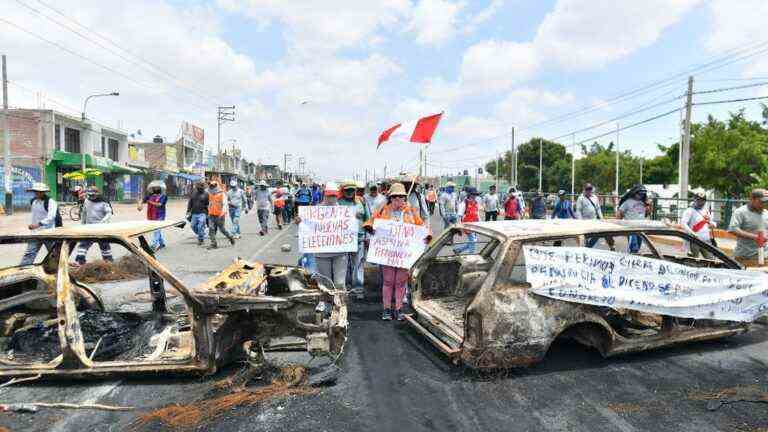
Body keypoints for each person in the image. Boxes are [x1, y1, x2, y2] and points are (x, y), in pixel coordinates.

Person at [363, 182, 430, 321]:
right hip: (388, 254)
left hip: (404, 255)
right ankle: (387, 309)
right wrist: (371, 230)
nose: (399, 200)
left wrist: (427, 236)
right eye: (395, 197)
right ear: (391, 198)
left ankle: (398, 309)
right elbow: (370, 223)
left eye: (401, 197)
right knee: (388, 281)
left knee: (400, 282)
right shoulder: (383, 210)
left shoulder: (411, 212)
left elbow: (422, 227)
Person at [304, 183, 348, 290]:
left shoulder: (345, 212)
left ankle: (340, 303)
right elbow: (307, 226)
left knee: (340, 283)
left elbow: (349, 229)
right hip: (322, 254)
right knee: (326, 284)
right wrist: (301, 220)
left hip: (340, 253)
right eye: (329, 195)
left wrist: (354, 219)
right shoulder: (316, 210)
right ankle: (328, 304)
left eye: (333, 195)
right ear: (325, 195)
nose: (331, 198)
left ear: (337, 196)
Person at [339, 180, 371, 297]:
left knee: (358, 264)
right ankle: (346, 287)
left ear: (355, 190)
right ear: (343, 190)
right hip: (342, 239)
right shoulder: (338, 202)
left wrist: (368, 236)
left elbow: (369, 220)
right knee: (344, 265)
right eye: (347, 190)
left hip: (359, 238)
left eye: (352, 190)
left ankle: (358, 288)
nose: (350, 192)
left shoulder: (362, 201)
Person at [20, 183, 59, 266]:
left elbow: (51, 216)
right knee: (29, 253)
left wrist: (39, 224)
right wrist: (34, 226)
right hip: (35, 233)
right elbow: (35, 216)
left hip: (49, 233)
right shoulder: (33, 201)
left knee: (54, 254)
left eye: (39, 192)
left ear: (44, 192)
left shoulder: (51, 202)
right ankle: (23, 269)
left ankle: (58, 269)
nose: (37, 193)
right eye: (35, 191)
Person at [728, 189, 768, 267]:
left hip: (764, 255)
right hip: (745, 257)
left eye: (765, 202)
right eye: (761, 202)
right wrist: (755, 237)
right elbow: (733, 229)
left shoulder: (766, 213)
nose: (763, 204)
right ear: (752, 199)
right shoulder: (740, 212)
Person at [74, 186, 113, 265]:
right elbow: (84, 213)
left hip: (101, 228)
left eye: (93, 195)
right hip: (89, 227)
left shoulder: (104, 202)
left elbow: (109, 213)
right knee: (83, 244)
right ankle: (80, 260)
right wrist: (82, 225)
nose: (91, 197)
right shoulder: (86, 201)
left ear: (97, 194)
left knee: (104, 245)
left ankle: (108, 262)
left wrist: (103, 222)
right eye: (90, 195)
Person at [680, 193, 716, 259]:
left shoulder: (706, 211)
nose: (701, 202)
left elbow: (711, 222)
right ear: (695, 200)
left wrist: (713, 224)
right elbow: (683, 223)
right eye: (699, 200)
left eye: (703, 200)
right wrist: (692, 233)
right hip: (694, 240)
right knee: (694, 260)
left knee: (711, 259)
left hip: (706, 240)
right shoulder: (689, 211)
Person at [617, 185, 650, 253]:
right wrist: (619, 223)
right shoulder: (628, 202)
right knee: (634, 247)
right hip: (631, 228)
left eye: (642, 194)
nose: (640, 196)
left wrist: (649, 206)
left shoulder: (643, 202)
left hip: (641, 227)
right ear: (634, 193)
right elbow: (620, 212)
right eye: (639, 194)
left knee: (638, 246)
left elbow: (646, 214)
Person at [574, 183, 606, 248]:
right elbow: (578, 210)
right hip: (585, 221)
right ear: (584, 189)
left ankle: (589, 247)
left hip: (594, 220)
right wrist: (580, 221)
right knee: (585, 237)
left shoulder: (595, 197)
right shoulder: (581, 198)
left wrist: (602, 218)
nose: (589, 190)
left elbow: (598, 208)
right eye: (587, 189)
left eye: (590, 189)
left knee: (598, 234)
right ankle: (587, 248)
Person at [138, 182, 168, 251]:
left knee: (156, 230)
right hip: (151, 215)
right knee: (157, 230)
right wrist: (140, 204)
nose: (155, 189)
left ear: (161, 188)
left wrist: (149, 202)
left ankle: (153, 245)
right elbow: (142, 200)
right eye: (154, 187)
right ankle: (162, 243)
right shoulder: (150, 195)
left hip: (160, 215)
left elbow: (159, 204)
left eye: (157, 187)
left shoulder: (164, 196)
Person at [207, 180, 236, 249]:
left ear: (216, 186)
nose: (212, 186)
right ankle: (213, 243)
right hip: (211, 214)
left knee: (222, 229)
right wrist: (208, 211)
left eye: (213, 185)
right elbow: (210, 203)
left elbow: (225, 205)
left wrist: (222, 213)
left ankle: (230, 237)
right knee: (211, 228)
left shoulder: (222, 194)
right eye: (211, 185)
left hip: (220, 215)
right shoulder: (210, 194)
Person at [455, 187, 481, 254]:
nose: (475, 196)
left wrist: (480, 224)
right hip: (467, 226)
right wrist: (459, 227)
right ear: (469, 194)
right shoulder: (464, 203)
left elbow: (477, 214)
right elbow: (459, 216)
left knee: (473, 241)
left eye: (476, 194)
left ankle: (459, 250)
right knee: (472, 241)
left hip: (475, 225)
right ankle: (471, 256)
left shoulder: (476, 203)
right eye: (473, 194)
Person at [187, 181, 209, 245]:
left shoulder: (206, 194)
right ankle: (201, 234)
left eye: (201, 187)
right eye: (198, 187)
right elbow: (190, 202)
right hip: (194, 213)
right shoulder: (193, 193)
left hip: (202, 213)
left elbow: (208, 204)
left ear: (203, 188)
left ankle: (201, 239)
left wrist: (208, 213)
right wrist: (188, 211)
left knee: (200, 226)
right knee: (192, 226)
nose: (199, 189)